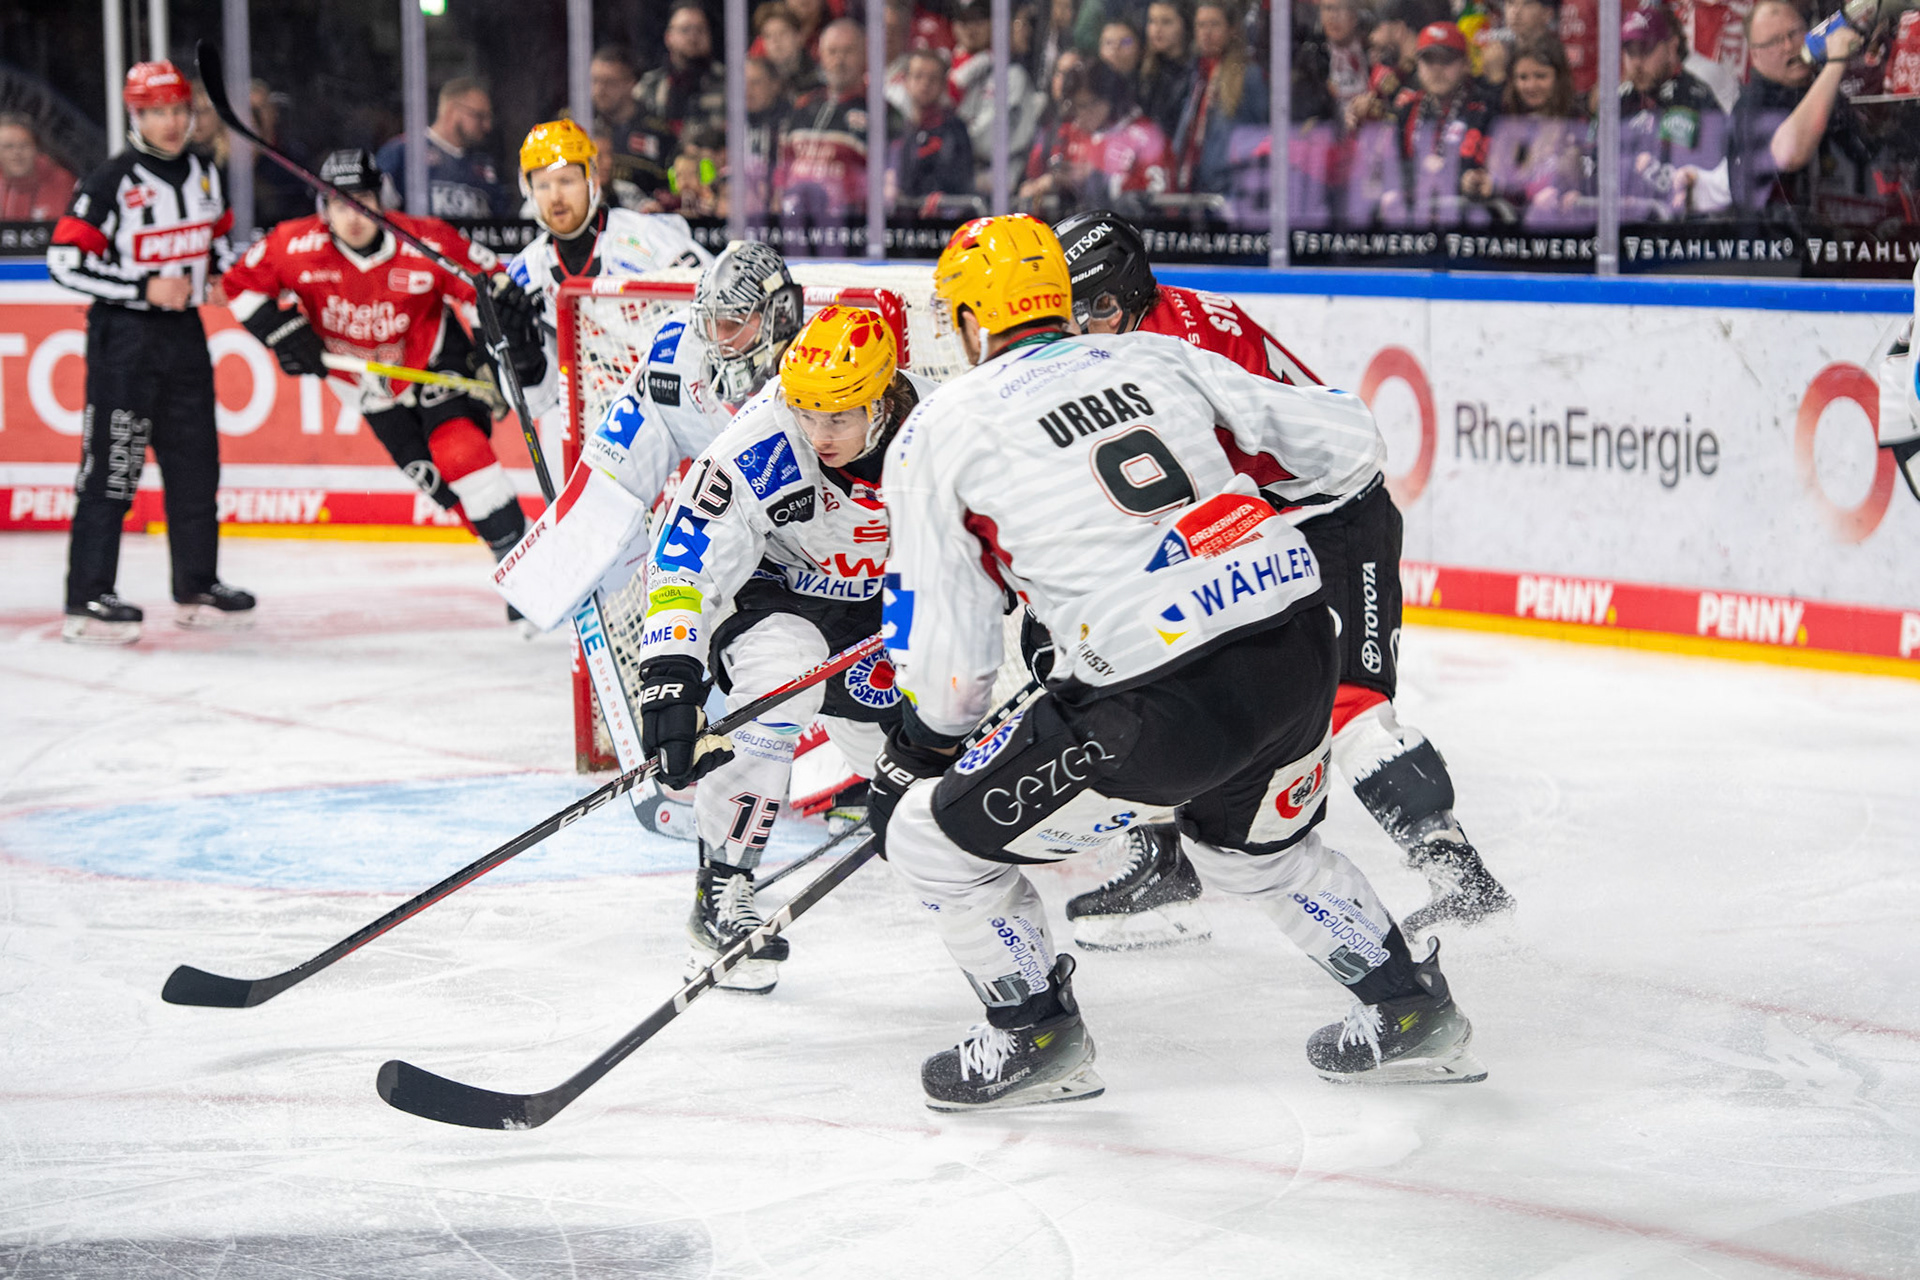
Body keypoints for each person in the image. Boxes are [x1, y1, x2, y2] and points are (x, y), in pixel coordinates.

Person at [867, 214, 1487, 1110]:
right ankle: (1409, 1008)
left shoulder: (938, 428)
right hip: (1294, 653)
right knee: (1254, 853)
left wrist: (918, 751)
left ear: (969, 320)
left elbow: (952, 670)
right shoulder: (1155, 356)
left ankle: (1034, 1035)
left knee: (929, 842)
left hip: (1152, 708)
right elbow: (1349, 443)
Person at [1052, 208, 1514, 947]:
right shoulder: (1146, 331)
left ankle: (1459, 875)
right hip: (1264, 520)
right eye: (1071, 309)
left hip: (1334, 512)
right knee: (1173, 680)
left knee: (1350, 707)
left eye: (1097, 306)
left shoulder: (1167, 351)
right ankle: (1166, 861)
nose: (1084, 326)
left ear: (1130, 290)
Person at [635, 304, 935, 991]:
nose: (819, 434)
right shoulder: (763, 442)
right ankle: (723, 885)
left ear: (884, 399)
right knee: (781, 682)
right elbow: (684, 555)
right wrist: (670, 675)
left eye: (840, 417)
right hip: (774, 597)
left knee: (925, 803)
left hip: (880, 609)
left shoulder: (940, 430)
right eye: (807, 413)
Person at [491, 242, 807, 879]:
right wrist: (575, 552)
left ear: (775, 318)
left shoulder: (821, 365)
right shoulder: (679, 356)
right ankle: (727, 844)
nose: (716, 339)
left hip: (816, 554)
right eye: (710, 321)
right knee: (725, 667)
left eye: (733, 322)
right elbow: (616, 467)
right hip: (730, 548)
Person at [223, 149, 543, 575]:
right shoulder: (294, 245)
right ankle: (516, 553)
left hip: (432, 362)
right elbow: (238, 284)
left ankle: (528, 567)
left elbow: (486, 284)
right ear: (324, 208)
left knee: (459, 453)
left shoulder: (424, 240)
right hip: (364, 389)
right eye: (340, 204)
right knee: (444, 491)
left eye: (362, 202)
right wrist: (282, 332)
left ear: (381, 200)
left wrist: (492, 351)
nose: (353, 216)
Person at [48, 61, 253, 645]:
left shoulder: (204, 171)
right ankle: (88, 597)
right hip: (124, 340)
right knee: (113, 469)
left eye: (178, 110)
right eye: (156, 112)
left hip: (184, 335)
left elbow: (217, 240)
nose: (170, 122)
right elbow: (64, 261)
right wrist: (142, 288)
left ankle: (197, 584)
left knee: (197, 465)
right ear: (135, 115)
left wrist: (222, 276)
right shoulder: (110, 180)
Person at [507, 119, 712, 480]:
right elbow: (538, 402)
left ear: (592, 180)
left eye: (566, 181)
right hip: (593, 430)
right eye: (543, 185)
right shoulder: (526, 273)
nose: (555, 197)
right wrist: (523, 358)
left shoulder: (649, 239)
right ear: (529, 191)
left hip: (675, 412)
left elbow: (714, 299)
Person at [1727, 0, 1869, 226]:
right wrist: (1835, 63)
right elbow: (1790, 154)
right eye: (1775, 41)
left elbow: (1865, 154)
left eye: (1795, 33)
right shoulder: (1750, 107)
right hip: (1778, 241)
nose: (1789, 46)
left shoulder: (1816, 86)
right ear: (1755, 55)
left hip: (1841, 232)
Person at [1381, 22, 1500, 223]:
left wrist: (1463, 178)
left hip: (1469, 224)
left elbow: (1492, 170)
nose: (1437, 69)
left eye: (1446, 61)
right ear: (1418, 66)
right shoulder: (1406, 110)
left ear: (1465, 64)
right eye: (1429, 61)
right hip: (1413, 225)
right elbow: (1385, 169)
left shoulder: (1486, 109)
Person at [777, 18, 886, 234]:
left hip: (849, 229)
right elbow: (782, 168)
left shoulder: (881, 111)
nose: (839, 60)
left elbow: (888, 182)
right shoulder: (802, 105)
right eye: (832, 52)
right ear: (821, 56)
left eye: (848, 51)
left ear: (865, 54)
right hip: (793, 226)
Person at [1618, 4, 1726, 221]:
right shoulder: (1619, 100)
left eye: (1646, 50)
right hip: (1621, 225)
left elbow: (1713, 180)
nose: (1636, 63)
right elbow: (1593, 164)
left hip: (1678, 229)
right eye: (1630, 52)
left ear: (1672, 47)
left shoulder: (1696, 99)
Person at [1020, 61, 1172, 215]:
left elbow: (1156, 195)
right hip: (1081, 225)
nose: (1080, 114)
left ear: (1109, 100)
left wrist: (1096, 179)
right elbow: (1050, 178)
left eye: (1085, 105)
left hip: (1133, 226)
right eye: (1076, 106)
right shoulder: (1071, 133)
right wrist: (1047, 184)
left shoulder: (1145, 135)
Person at [1485, 36, 1590, 224]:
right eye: (1522, 77)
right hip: (1510, 232)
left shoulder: (1577, 122)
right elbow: (1500, 186)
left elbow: (1587, 183)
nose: (1531, 86)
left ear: (1559, 78)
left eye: (1541, 76)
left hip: (1562, 230)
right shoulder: (1505, 124)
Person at [1172, 0, 1270, 193]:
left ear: (1232, 29)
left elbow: (1262, 133)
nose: (1206, 33)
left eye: (1214, 25)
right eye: (1201, 25)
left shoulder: (1248, 74)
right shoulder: (1195, 72)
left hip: (1230, 186)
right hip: (1193, 183)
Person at [376, 78, 508, 218]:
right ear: (451, 111)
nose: (487, 126)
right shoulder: (403, 152)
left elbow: (501, 220)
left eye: (488, 118)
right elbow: (378, 212)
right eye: (479, 116)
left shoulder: (484, 163)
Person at [634, 2, 729, 172]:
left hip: (709, 177)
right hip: (656, 177)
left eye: (700, 30)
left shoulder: (728, 84)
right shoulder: (649, 86)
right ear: (668, 37)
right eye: (685, 30)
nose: (693, 37)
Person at [892, 49, 977, 211]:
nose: (925, 84)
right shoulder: (898, 131)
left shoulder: (956, 130)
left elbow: (961, 184)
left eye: (933, 78)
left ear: (943, 85)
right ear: (905, 81)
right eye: (918, 76)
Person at [0, 113, 75, 220]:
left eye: (24, 145)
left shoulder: (62, 182)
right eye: (8, 147)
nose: (17, 153)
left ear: (37, 148)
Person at [1139, 1, 1194, 140]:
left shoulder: (1195, 71)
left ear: (1184, 25)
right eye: (1152, 21)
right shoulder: (1144, 67)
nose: (1157, 29)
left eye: (1166, 22)